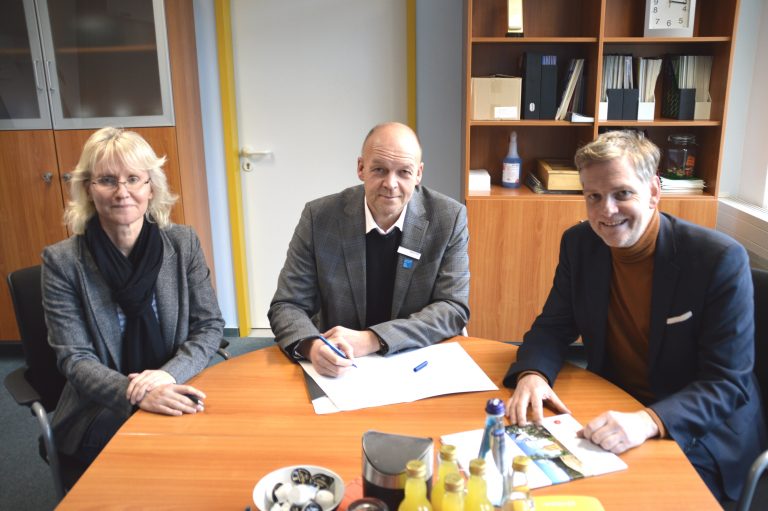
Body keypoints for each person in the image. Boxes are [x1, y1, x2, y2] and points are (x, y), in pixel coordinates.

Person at [503, 130, 765, 502]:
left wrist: (648, 421)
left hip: (701, 432)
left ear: (654, 191)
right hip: (618, 406)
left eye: (622, 193)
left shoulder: (718, 260)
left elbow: (727, 383)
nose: (605, 211)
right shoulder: (580, 245)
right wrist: (533, 373)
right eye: (593, 196)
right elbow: (554, 326)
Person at [42, 127, 225, 476]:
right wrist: (136, 393)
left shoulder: (182, 243)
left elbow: (209, 325)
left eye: (134, 179)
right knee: (168, 445)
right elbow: (75, 359)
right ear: (87, 189)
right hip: (100, 403)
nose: (122, 192)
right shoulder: (63, 262)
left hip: (176, 378)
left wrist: (165, 378)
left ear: (150, 187)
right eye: (107, 180)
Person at [268, 122, 469, 377]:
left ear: (419, 173)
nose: (391, 184)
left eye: (404, 172)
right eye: (379, 170)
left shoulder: (448, 218)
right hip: (340, 364)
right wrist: (312, 346)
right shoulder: (319, 218)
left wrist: (373, 339)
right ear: (361, 168)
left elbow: (453, 307)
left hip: (415, 361)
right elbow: (287, 304)